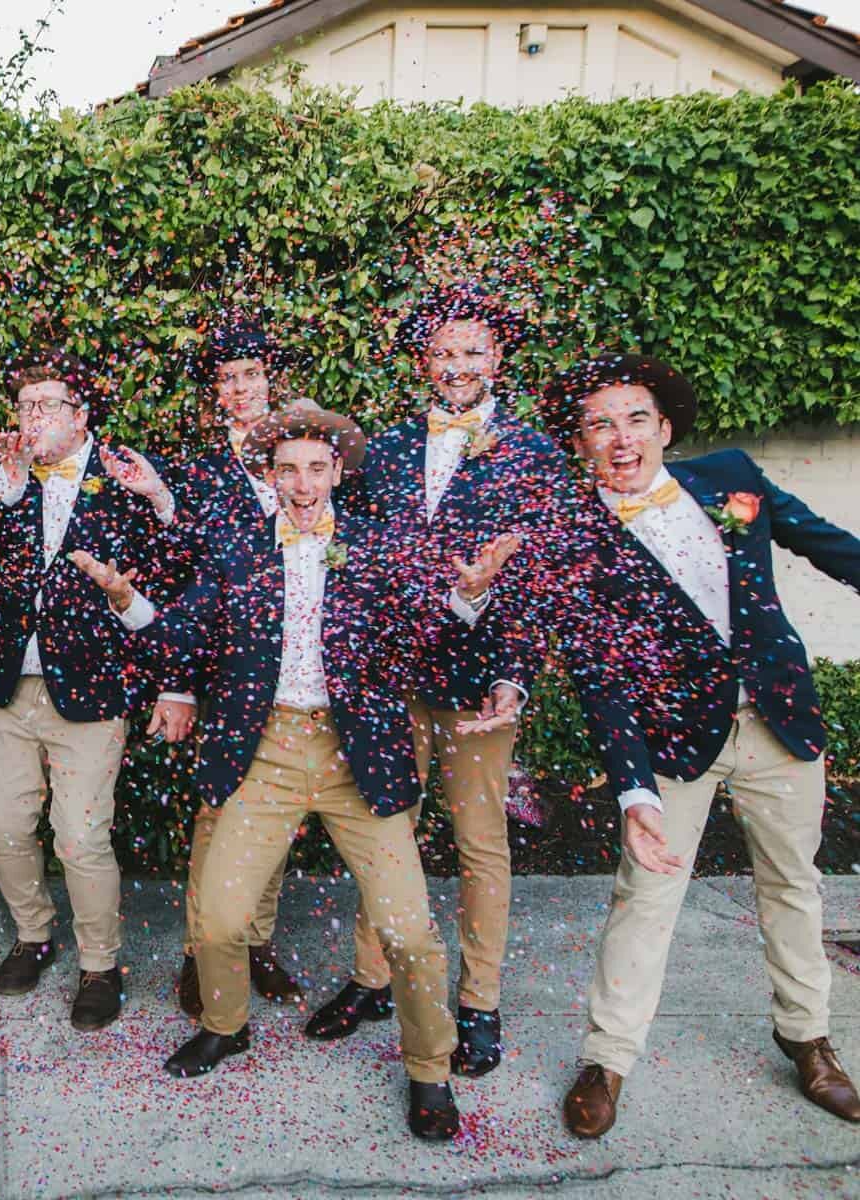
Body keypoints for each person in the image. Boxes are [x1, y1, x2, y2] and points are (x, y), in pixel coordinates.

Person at [75, 400, 500, 1140]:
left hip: (355, 754)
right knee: (220, 920)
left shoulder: (375, 545)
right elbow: (182, 633)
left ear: (337, 472)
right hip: (265, 750)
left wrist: (468, 596)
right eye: (287, 470)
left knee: (409, 933)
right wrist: (125, 599)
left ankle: (431, 1071)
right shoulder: (237, 550)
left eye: (315, 468)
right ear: (269, 477)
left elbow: (424, 631)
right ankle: (226, 1023)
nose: (302, 484)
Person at [536, 353, 860, 1137]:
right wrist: (634, 789)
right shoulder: (572, 540)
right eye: (600, 424)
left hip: (781, 723)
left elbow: (826, 543)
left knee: (793, 885)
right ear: (580, 443)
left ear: (666, 426)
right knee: (645, 897)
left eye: (636, 418)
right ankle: (606, 1059)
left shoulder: (729, 477)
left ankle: (808, 1039)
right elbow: (598, 678)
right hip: (675, 744)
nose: (621, 437)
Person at [308, 282, 561, 1078]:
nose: (457, 366)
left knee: (480, 844)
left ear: (497, 360)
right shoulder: (382, 449)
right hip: (394, 674)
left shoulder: (534, 454)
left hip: (482, 684)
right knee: (386, 828)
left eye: (472, 352)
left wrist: (515, 676)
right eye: (444, 353)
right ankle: (371, 978)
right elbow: (352, 556)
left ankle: (479, 1001)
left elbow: (538, 578)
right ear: (425, 362)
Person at [0, 348, 183, 1033]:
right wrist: (4, 490)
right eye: (25, 407)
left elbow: (176, 562)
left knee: (81, 838)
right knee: (2, 825)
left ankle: (100, 964)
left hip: (89, 690)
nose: (32, 418)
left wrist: (160, 499)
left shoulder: (123, 476)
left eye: (46, 405)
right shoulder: (7, 477)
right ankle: (34, 934)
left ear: (80, 415)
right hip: (10, 687)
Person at [161, 319, 306, 1017]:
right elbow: (182, 579)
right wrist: (179, 681)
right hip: (227, 674)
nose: (241, 388)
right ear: (215, 394)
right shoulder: (199, 475)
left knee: (279, 815)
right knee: (218, 813)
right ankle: (202, 949)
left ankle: (255, 940)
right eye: (228, 379)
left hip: (301, 672)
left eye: (251, 374)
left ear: (270, 381)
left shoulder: (304, 457)